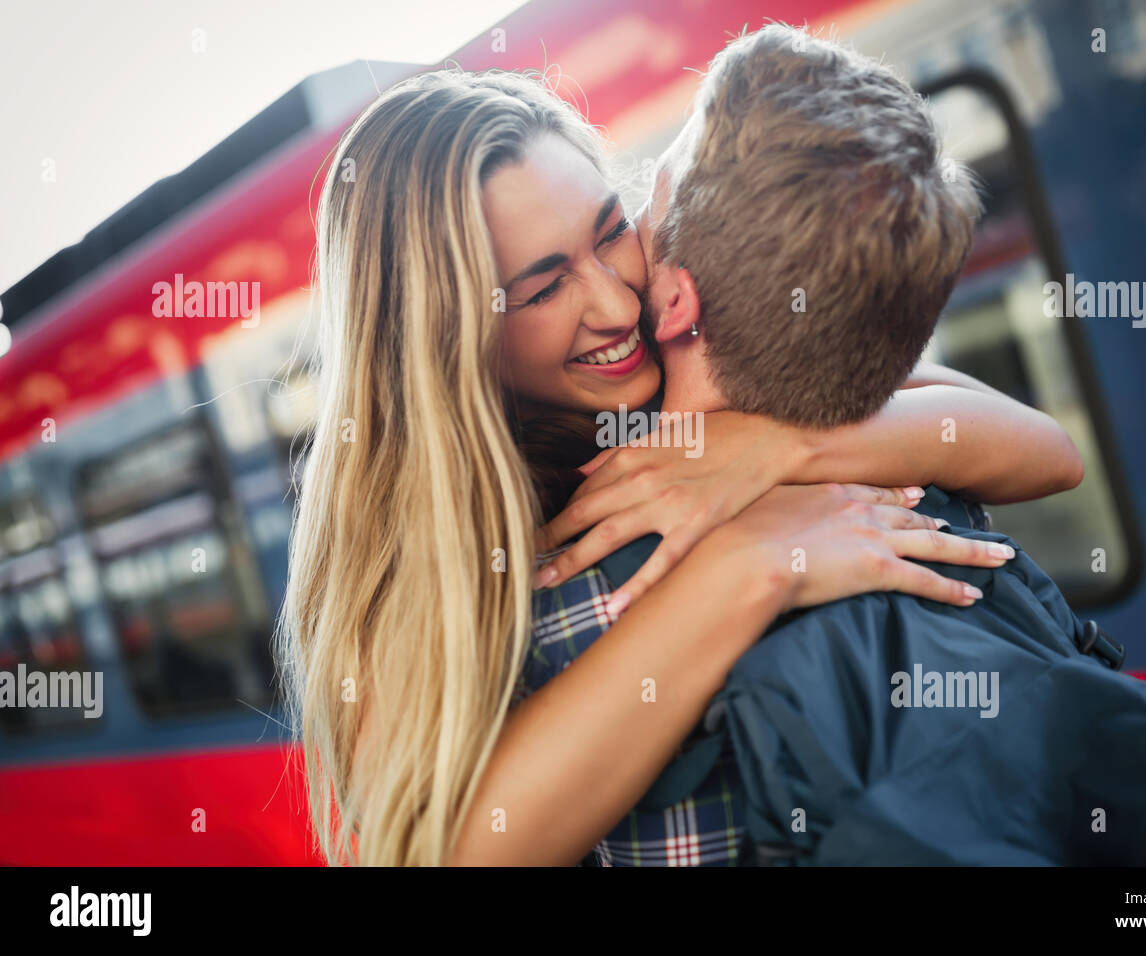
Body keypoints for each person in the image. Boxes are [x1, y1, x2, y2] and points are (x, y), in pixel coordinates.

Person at [277, 30, 1083, 866]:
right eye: (545, 287)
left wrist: (771, 446)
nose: (616, 304)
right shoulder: (411, 545)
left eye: (610, 229)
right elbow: (437, 851)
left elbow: (1044, 449)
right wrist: (748, 564)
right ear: (442, 335)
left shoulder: (692, 358)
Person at [523, 23, 1146, 866]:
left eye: (636, 217)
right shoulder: (924, 491)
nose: (616, 271)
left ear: (675, 303)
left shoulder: (574, 593)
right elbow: (1044, 450)